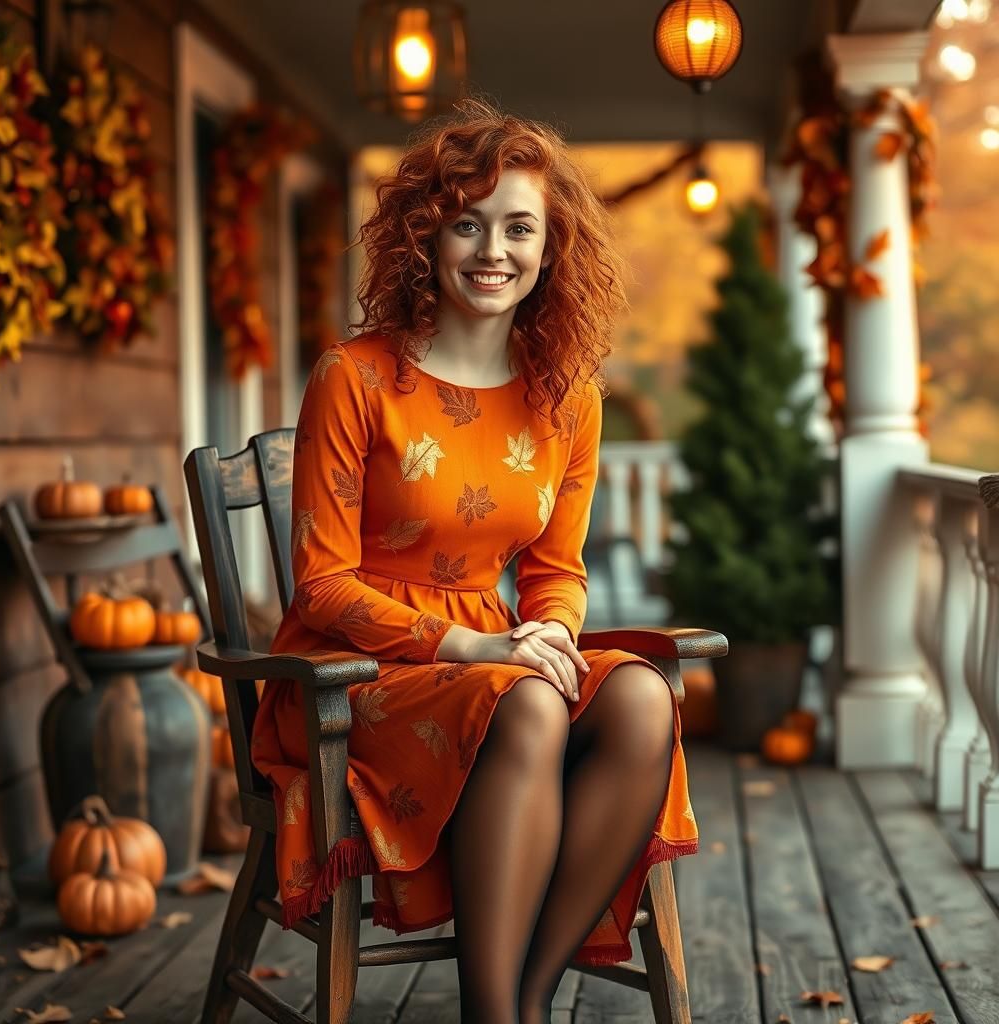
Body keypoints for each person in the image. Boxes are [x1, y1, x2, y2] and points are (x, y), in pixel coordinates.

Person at [251, 97, 698, 1024]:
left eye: (519, 227)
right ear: (427, 236)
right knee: (530, 699)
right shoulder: (357, 376)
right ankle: (497, 1011)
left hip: (494, 657)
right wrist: (474, 653)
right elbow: (321, 583)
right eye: (467, 223)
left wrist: (551, 635)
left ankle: (521, 1002)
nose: (493, 250)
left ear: (550, 248)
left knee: (642, 694)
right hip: (351, 675)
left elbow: (556, 570)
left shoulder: (568, 396)